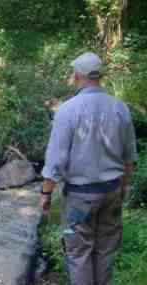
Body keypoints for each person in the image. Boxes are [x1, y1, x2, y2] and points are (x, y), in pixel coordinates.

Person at [40, 52, 137, 285]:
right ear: (99, 76)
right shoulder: (120, 107)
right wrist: (125, 187)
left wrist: (46, 193)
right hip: (112, 192)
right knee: (105, 250)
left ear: (78, 75)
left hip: (80, 197)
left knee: (78, 254)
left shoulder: (67, 110)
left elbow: (56, 159)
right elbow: (129, 157)